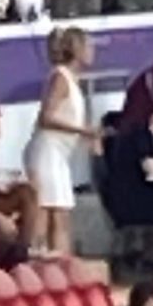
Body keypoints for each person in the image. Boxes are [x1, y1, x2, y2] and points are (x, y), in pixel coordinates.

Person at [23, 28, 97, 256]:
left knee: (62, 213)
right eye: (89, 46)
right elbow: (46, 117)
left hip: (59, 155)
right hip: (47, 151)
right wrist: (83, 131)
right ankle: (40, 258)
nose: (93, 51)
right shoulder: (60, 78)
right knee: (48, 211)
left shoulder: (72, 79)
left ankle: (61, 260)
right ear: (77, 50)